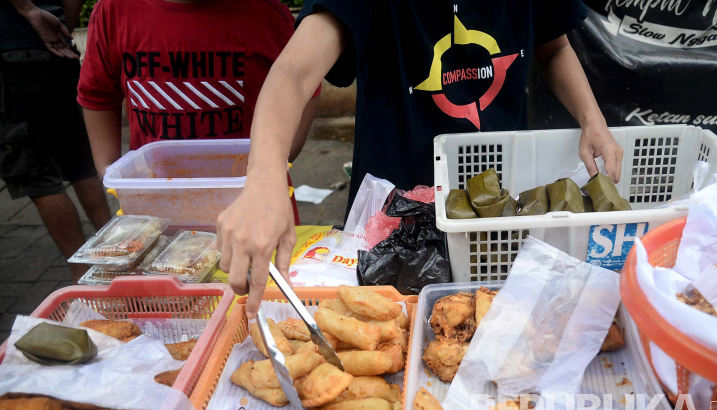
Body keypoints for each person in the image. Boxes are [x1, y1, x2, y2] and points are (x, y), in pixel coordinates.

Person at [217, 0, 624, 318]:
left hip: (497, 220)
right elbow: (294, 71)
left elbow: (553, 48)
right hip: (389, 235)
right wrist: (265, 176)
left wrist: (593, 120)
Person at [77, 0, 320, 224]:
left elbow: (305, 85)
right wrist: (110, 169)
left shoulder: (267, 12)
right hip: (154, 208)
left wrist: (277, 161)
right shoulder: (114, 10)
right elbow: (98, 94)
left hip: (255, 203)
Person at [0, 0, 111, 283]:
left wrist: (26, 9)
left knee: (37, 178)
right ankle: (120, 257)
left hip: (12, 55)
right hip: (58, 49)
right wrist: (61, 29)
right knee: (80, 166)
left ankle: (84, 279)